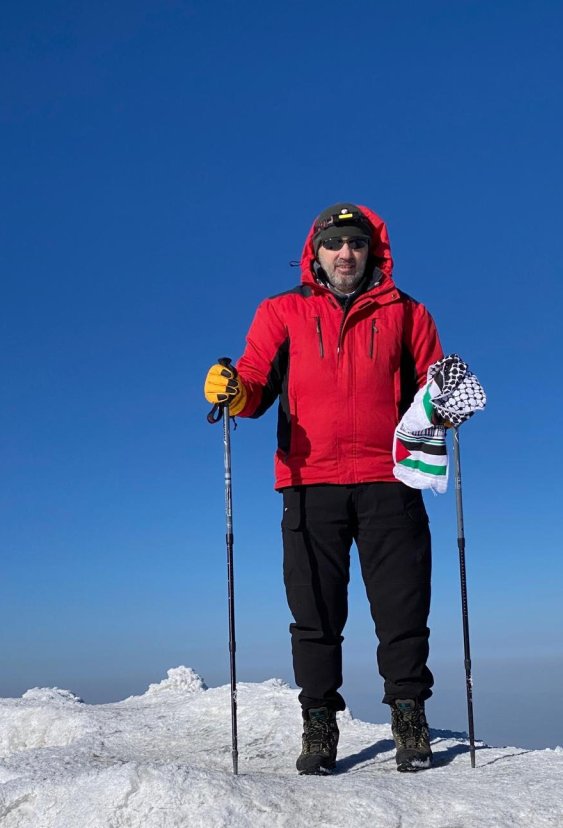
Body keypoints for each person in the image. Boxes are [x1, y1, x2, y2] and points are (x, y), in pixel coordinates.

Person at [204, 203, 444, 775]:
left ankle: (409, 717)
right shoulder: (280, 311)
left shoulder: (408, 314)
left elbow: (433, 391)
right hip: (309, 483)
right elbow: (256, 385)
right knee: (314, 613)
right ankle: (319, 724)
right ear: (315, 252)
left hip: (391, 480)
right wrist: (232, 392)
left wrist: (451, 404)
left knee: (403, 607)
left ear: (372, 252)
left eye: (356, 243)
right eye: (334, 243)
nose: (345, 253)